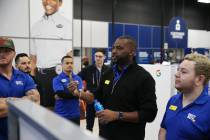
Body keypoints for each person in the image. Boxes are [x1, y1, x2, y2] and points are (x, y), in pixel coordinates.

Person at [79, 36, 157, 140]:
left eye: (119, 48)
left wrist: (117, 115)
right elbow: (96, 96)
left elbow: (149, 114)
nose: (114, 51)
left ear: (132, 52)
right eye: (113, 48)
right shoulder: (108, 74)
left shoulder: (143, 78)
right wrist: (78, 93)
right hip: (105, 135)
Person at [30, 0, 72, 108]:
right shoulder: (35, 26)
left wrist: (69, 78)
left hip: (57, 74)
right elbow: (33, 58)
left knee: (55, 112)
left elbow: (70, 55)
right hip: (39, 76)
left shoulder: (67, 25)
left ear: (60, 3)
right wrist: (32, 79)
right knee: (39, 110)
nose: (48, 2)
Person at [159, 53, 210, 140]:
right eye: (178, 70)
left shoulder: (207, 108)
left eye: (183, 72)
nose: (176, 74)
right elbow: (164, 129)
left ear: (199, 79)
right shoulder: (173, 100)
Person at [0, 37, 40, 140]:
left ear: (14, 53)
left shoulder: (25, 77)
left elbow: (35, 101)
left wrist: (7, 100)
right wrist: (23, 101)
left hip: (22, 135)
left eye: (6, 51)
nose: (2, 54)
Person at [78, 49, 109, 132]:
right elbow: (77, 78)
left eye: (100, 56)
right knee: (89, 125)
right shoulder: (88, 69)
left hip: (103, 100)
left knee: (103, 126)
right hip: (90, 99)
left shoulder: (108, 70)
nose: (98, 58)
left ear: (104, 57)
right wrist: (83, 90)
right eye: (96, 56)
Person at [52, 55, 83, 125]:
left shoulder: (78, 78)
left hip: (75, 114)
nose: (70, 65)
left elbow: (80, 94)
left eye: (71, 63)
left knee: (75, 136)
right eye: (67, 63)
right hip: (61, 115)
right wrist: (75, 93)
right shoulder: (57, 79)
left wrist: (66, 94)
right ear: (62, 65)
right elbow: (61, 93)